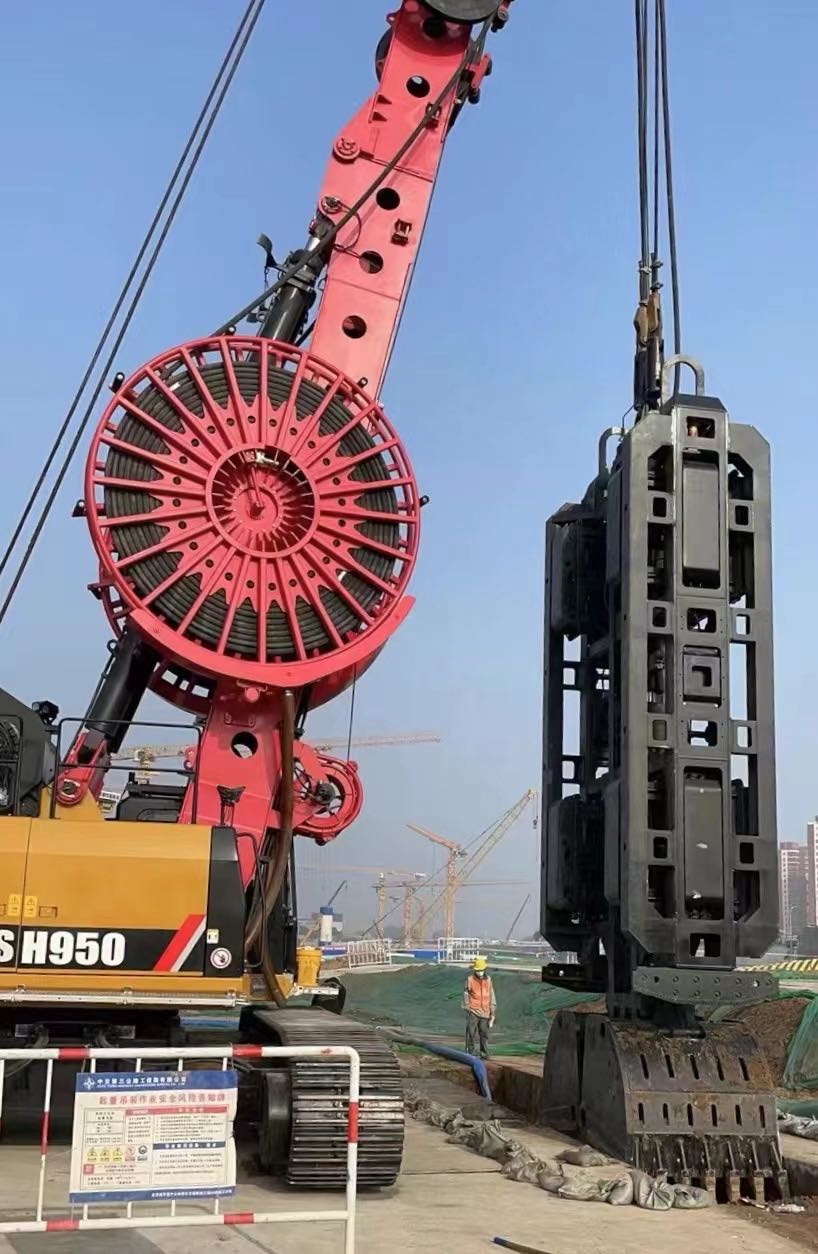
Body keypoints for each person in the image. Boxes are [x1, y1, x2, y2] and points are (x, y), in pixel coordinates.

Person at [463, 955, 496, 1059]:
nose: (480, 972)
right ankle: (470, 1052)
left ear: (484, 969)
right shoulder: (470, 980)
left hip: (485, 1011)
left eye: (481, 970)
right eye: (478, 970)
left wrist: (492, 1011)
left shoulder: (488, 980)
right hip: (473, 1010)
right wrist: (467, 1006)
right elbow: (466, 994)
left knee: (484, 1033)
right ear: (475, 970)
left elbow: (491, 995)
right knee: (471, 1032)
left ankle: (484, 1053)